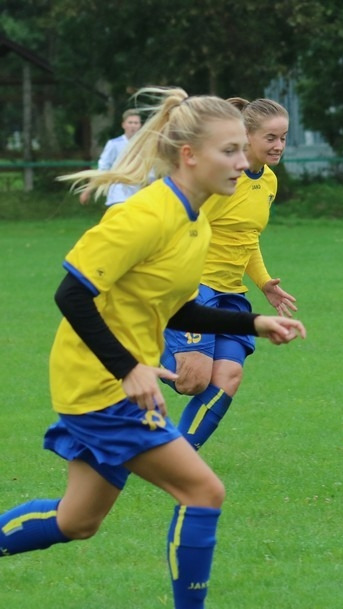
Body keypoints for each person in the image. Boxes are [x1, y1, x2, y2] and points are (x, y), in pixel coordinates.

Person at [0, 87, 307, 609]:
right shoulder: (144, 215)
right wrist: (128, 369)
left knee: (77, 521)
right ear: (189, 155)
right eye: (229, 151)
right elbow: (71, 294)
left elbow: (176, 309)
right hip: (100, 387)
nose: (243, 163)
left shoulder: (196, 220)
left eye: (242, 149)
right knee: (203, 492)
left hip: (112, 383)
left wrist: (254, 321)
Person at [160, 97, 297, 450]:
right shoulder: (219, 176)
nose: (279, 145)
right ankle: (136, 347)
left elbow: (246, 238)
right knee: (192, 381)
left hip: (230, 294)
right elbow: (176, 223)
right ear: (246, 135)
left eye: (283, 137)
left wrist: (264, 282)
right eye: (270, 138)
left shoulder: (268, 181)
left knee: (228, 376)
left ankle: (181, 457)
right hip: (194, 287)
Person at [79, 108, 143, 206]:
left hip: (139, 193)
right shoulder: (114, 144)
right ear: (124, 125)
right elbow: (103, 168)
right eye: (130, 122)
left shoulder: (145, 145)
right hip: (119, 193)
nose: (133, 126)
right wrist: (88, 191)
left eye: (136, 123)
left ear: (140, 125)